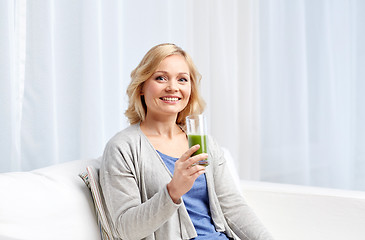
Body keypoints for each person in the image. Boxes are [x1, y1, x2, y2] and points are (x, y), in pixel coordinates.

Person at [100, 43, 273, 240]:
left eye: (182, 79)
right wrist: (173, 191)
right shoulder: (122, 148)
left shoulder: (202, 142)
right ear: (141, 87)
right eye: (160, 78)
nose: (172, 87)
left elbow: (232, 206)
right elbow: (126, 230)